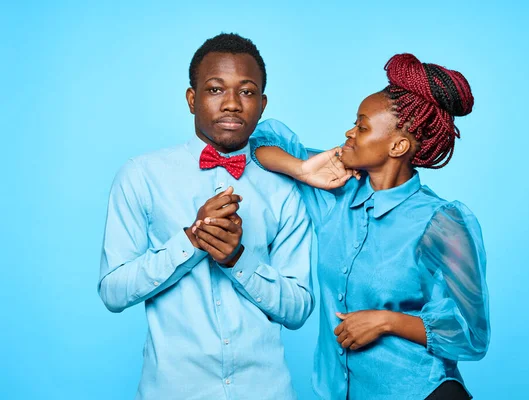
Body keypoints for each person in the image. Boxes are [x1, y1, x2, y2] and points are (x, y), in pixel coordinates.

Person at [252, 53, 490, 399]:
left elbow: (471, 334)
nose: (349, 132)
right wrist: (301, 170)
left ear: (398, 145)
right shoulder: (333, 193)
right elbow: (259, 139)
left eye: (361, 127)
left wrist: (386, 321)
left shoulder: (442, 222)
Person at [98, 33, 314, 400]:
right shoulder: (141, 175)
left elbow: (298, 309)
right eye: (215, 90)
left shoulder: (285, 188)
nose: (231, 104)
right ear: (191, 98)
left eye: (246, 92)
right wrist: (191, 241)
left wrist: (237, 260)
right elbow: (113, 291)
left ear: (262, 105)